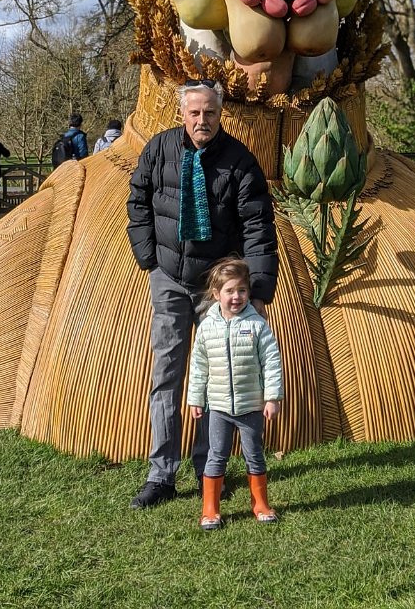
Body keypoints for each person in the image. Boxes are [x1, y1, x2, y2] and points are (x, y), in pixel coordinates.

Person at [127, 78, 278, 509]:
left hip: (216, 285)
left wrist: (259, 288)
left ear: (220, 114)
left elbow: (257, 227)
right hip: (169, 277)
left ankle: (207, 466)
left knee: (216, 378)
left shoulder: (239, 161)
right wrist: (148, 258)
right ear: (182, 114)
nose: (202, 120)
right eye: (194, 112)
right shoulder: (159, 150)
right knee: (167, 374)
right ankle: (161, 475)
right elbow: (138, 199)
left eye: (210, 112)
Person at [187, 256, 283, 530]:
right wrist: (196, 399)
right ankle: (210, 509)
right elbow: (199, 366)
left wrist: (272, 397)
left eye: (242, 290)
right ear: (216, 294)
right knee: (216, 455)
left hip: (251, 405)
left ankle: (260, 504)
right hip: (217, 407)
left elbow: (272, 362)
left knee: (254, 454)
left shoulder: (257, 325)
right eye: (229, 291)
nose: (236, 297)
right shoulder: (207, 328)